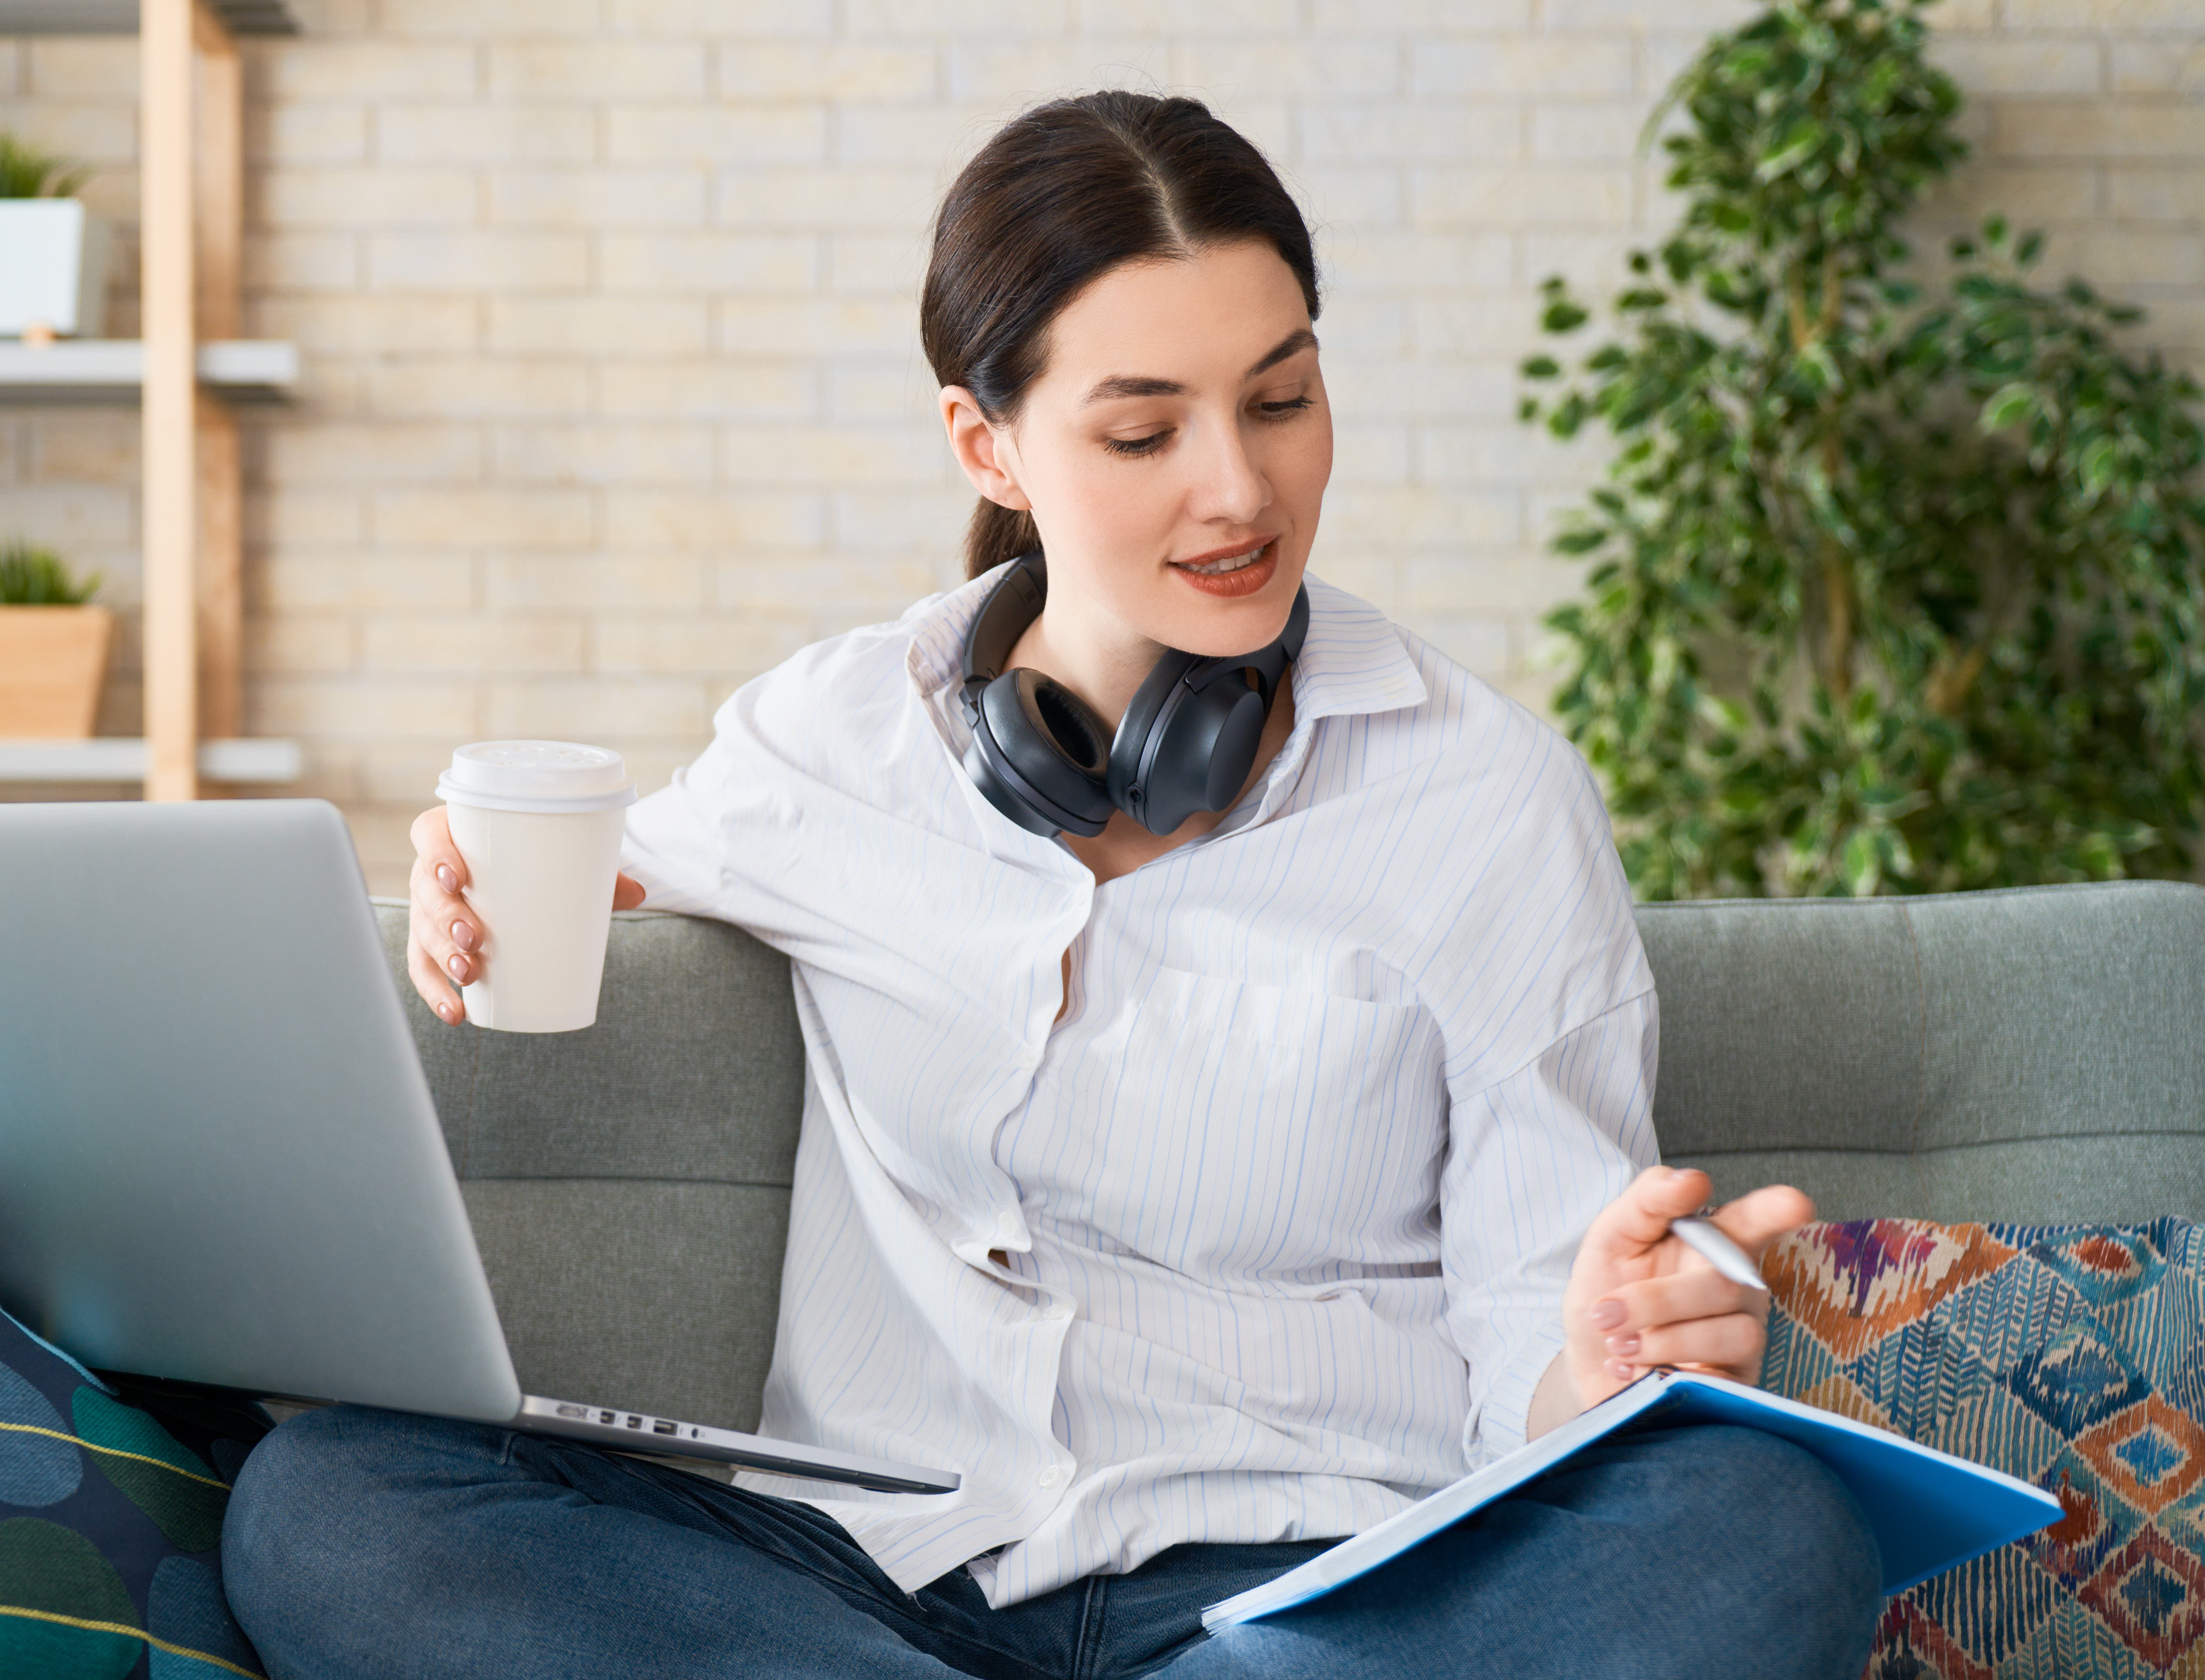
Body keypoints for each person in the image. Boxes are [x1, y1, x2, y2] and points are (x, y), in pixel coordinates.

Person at [221, 92, 1881, 1678]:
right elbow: (599, 862)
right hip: (860, 1585)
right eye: (1144, 428)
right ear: (985, 443)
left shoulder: (1485, 799)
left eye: (1280, 399)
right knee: (331, 1507)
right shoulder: (833, 740)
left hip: (1305, 1605)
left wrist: (1596, 1362)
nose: (1238, 488)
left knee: (1754, 1527)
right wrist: (463, 868)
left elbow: (1539, 1300)